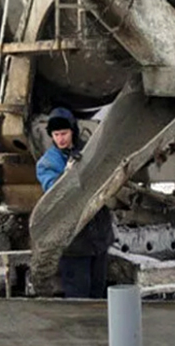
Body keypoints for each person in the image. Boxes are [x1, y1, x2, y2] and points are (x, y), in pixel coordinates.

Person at [34, 108, 114, 299]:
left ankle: (98, 328)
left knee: (98, 292)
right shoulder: (48, 163)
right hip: (74, 242)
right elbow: (54, 193)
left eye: (64, 133)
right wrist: (69, 173)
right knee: (78, 295)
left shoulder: (88, 150)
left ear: (73, 132)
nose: (60, 139)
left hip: (98, 238)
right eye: (56, 135)